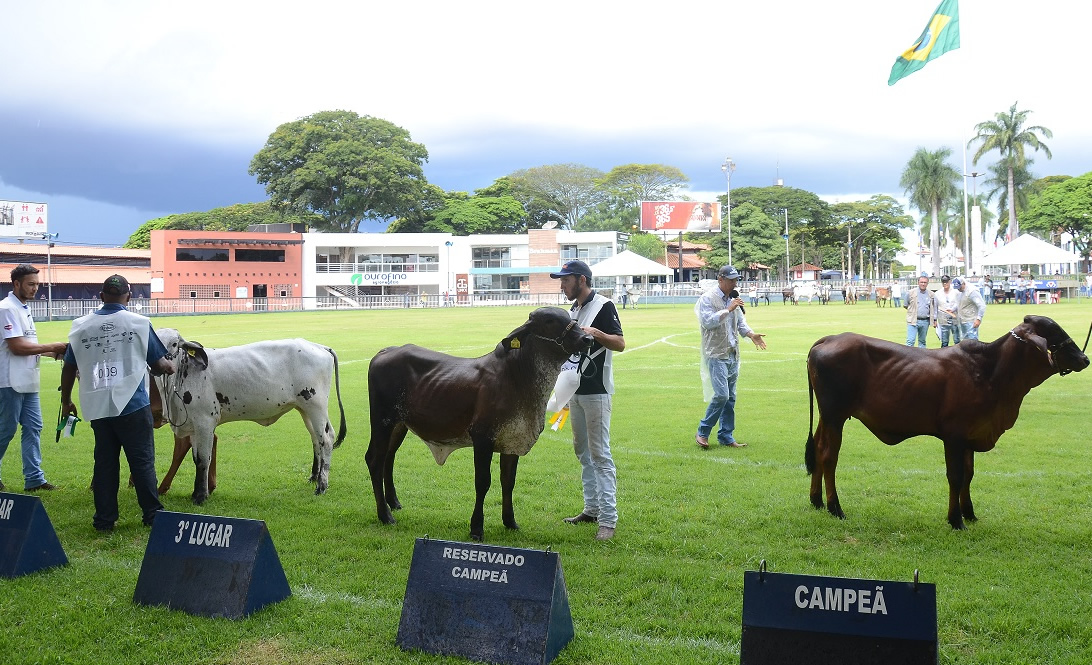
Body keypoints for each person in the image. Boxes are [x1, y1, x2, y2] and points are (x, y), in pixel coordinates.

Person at [59, 275, 174, 532]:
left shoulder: (80, 326)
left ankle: (104, 520)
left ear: (101, 297)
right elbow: (158, 365)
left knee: (105, 463)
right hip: (132, 403)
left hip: (98, 405)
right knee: (142, 461)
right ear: (129, 297)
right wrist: (170, 366)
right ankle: (153, 515)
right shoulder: (139, 323)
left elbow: (68, 368)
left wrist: (66, 401)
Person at [550, 260, 625, 541]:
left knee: (600, 455)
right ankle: (591, 509)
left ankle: (608, 519)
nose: (562, 285)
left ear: (581, 280)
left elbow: (619, 343)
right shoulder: (573, 310)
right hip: (574, 390)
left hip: (596, 390)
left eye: (566, 280)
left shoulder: (603, 306)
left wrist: (598, 334)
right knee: (583, 452)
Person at [0, 265, 69, 493]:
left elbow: (30, 346)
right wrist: (53, 346)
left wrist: (57, 352)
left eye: (37, 284)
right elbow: (18, 347)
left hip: (28, 380)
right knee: (5, 430)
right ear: (16, 284)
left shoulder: (23, 309)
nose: (35, 288)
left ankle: (34, 479)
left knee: (34, 427)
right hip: (9, 381)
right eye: (30, 284)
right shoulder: (6, 309)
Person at [694, 265, 767, 450]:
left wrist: (752, 335)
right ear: (720, 279)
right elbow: (708, 322)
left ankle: (726, 436)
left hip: (733, 353)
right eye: (732, 280)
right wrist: (728, 309)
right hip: (716, 353)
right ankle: (702, 431)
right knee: (721, 395)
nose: (735, 283)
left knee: (731, 397)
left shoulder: (733, 299)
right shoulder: (708, 299)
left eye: (736, 279)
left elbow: (740, 323)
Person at [904, 275, 937, 347]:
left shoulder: (931, 294)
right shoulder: (910, 293)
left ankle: (921, 358)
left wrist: (934, 320)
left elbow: (934, 308)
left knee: (922, 341)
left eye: (925, 282)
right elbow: (906, 305)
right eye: (921, 282)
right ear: (918, 282)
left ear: (927, 283)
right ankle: (908, 357)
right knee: (910, 341)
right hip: (913, 320)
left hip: (925, 321)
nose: (923, 284)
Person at [934, 275, 961, 348]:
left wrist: (953, 309)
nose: (945, 284)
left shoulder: (956, 292)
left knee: (957, 339)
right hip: (943, 320)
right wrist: (934, 319)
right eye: (943, 282)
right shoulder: (937, 293)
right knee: (944, 341)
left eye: (946, 282)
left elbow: (959, 303)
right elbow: (935, 307)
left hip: (955, 318)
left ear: (950, 282)